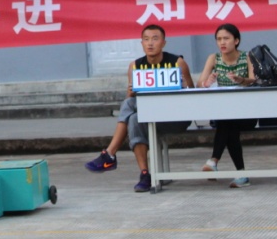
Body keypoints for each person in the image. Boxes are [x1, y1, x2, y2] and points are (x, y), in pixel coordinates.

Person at [84, 24, 195, 192]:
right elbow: (130, 101)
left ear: (164, 43)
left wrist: (184, 87)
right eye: (146, 39)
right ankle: (144, 174)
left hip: (175, 117)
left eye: (155, 39)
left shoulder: (177, 63)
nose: (150, 43)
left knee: (129, 105)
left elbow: (192, 95)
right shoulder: (135, 66)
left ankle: (109, 154)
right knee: (134, 118)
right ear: (141, 43)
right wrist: (130, 93)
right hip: (150, 117)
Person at [197, 23, 257, 188]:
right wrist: (206, 83)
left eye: (226, 38)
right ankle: (241, 174)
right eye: (219, 39)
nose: (222, 42)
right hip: (225, 112)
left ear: (236, 41)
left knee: (228, 122)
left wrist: (241, 80)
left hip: (247, 112)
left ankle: (214, 161)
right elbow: (200, 83)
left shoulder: (247, 57)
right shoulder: (214, 58)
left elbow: (254, 80)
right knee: (228, 122)